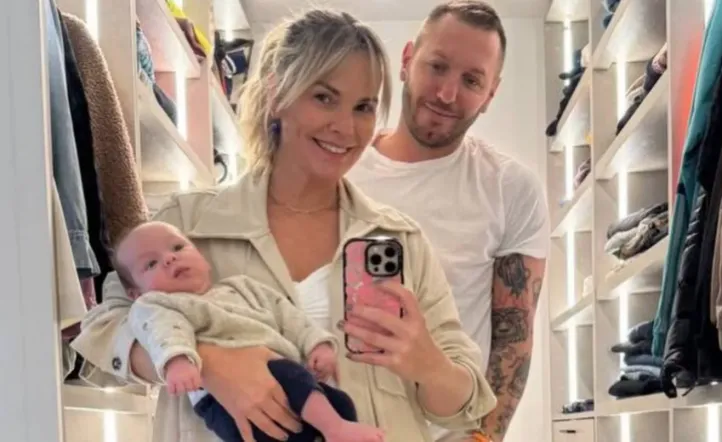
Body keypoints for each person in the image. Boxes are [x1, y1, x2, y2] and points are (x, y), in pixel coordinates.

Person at [70, 9, 496, 442]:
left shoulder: (401, 241)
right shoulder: (185, 229)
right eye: (324, 97)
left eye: (364, 107)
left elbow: (466, 406)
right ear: (278, 93)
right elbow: (103, 330)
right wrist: (210, 363)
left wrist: (426, 363)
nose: (345, 127)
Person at [346, 2, 550, 441]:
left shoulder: (510, 187)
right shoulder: (339, 169)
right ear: (406, 60)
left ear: (491, 94)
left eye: (471, 80)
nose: (446, 94)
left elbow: (513, 342)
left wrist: (484, 439)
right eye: (437, 66)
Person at [116, 221, 383, 442]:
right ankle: (335, 429)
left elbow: (288, 317)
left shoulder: (243, 288)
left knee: (340, 403)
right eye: (150, 264)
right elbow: (163, 332)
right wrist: (177, 361)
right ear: (136, 293)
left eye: (177, 247)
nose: (169, 258)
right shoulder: (157, 304)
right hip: (221, 400)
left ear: (203, 259)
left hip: (285, 373)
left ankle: (338, 427)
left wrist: (318, 345)